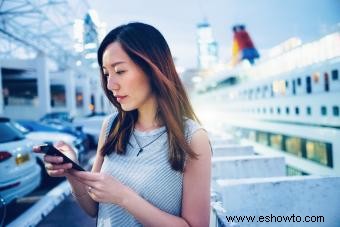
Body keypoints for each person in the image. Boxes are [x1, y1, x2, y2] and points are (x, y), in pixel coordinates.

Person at [35, 22, 211, 227]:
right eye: (107, 74)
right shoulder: (111, 126)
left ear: (152, 68)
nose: (110, 86)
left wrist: (124, 197)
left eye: (119, 71)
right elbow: (93, 208)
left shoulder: (192, 137)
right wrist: (72, 171)